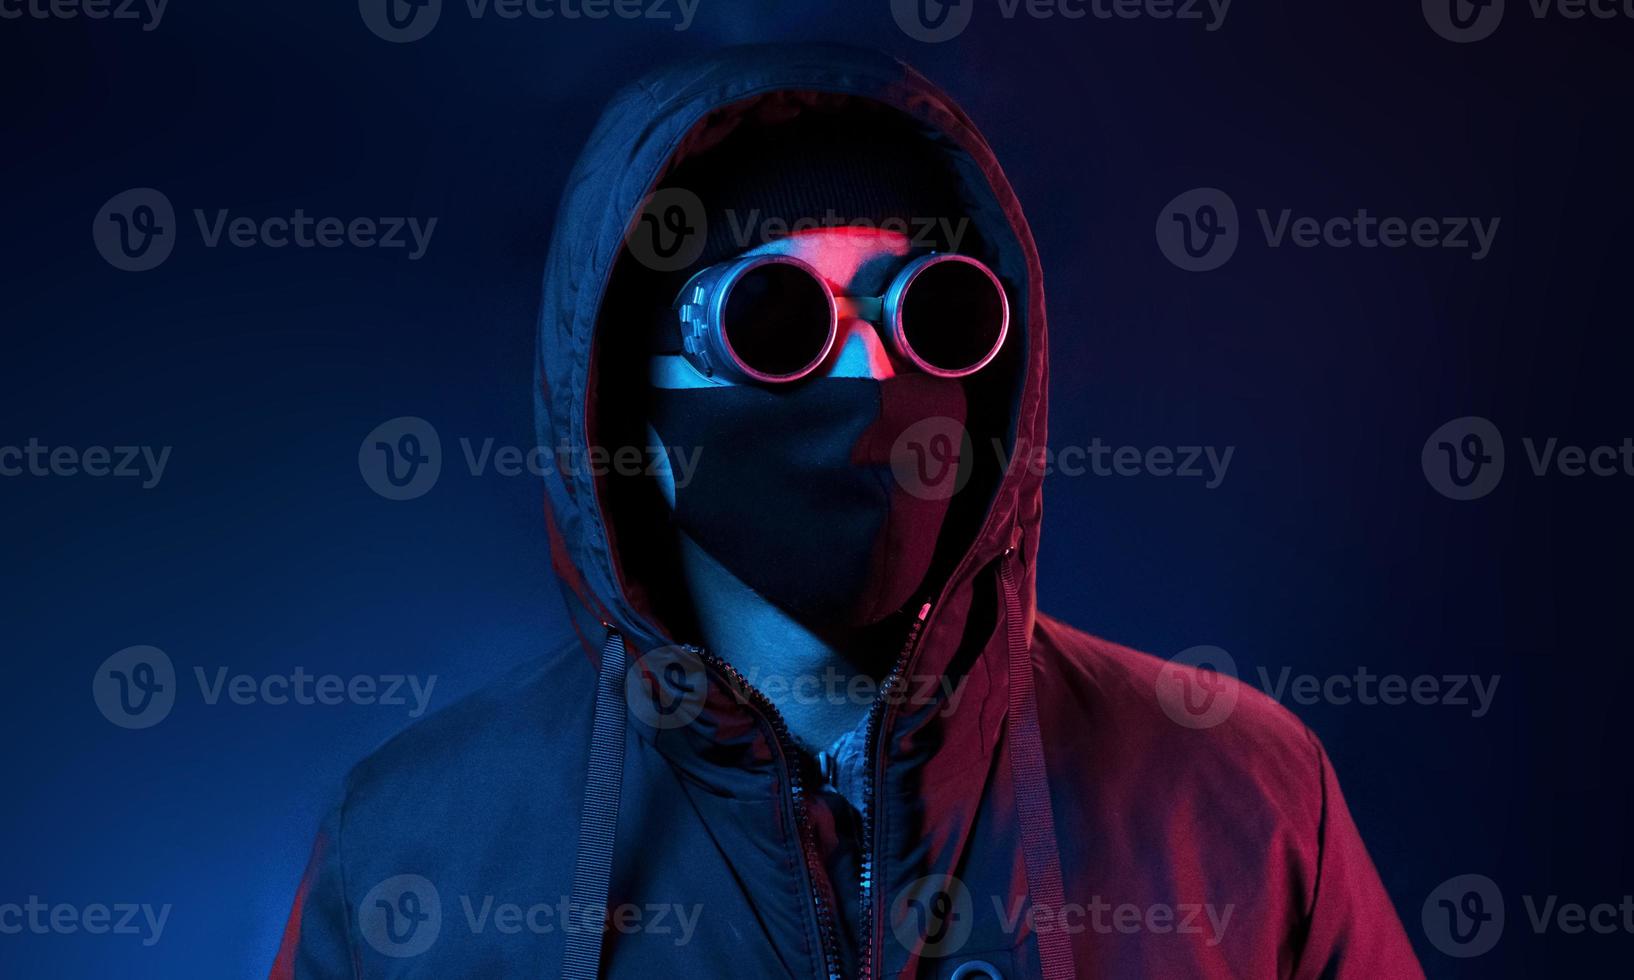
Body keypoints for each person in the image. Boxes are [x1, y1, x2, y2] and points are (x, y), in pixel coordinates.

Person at [272, 43, 1423, 979]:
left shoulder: (1236, 794)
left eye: (927, 313)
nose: (869, 376)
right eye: (778, 324)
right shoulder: (419, 848)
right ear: (624, 399)